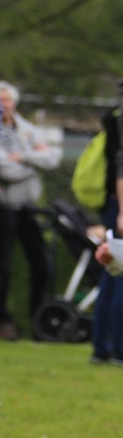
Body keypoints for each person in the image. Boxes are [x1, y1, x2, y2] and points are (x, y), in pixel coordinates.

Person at [0, 80, 62, 340]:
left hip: (29, 207)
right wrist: (34, 160)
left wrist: (22, 157)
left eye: (7, 100)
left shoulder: (29, 130)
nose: (4, 105)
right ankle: (3, 321)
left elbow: (53, 159)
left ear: (14, 103)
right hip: (3, 207)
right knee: (4, 266)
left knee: (41, 264)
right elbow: (4, 170)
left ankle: (38, 320)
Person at [91, 85, 123, 366]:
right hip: (120, 204)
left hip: (114, 203)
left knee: (113, 273)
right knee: (118, 273)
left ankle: (102, 348)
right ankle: (117, 349)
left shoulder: (114, 116)